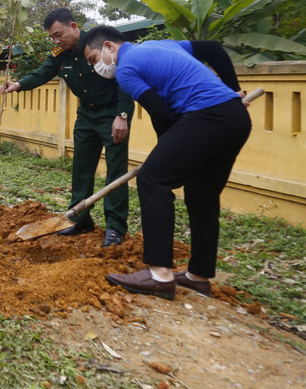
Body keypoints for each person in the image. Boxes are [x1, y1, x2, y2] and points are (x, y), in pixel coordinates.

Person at [80, 26, 251, 300]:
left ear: (109, 47)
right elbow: (213, 49)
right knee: (201, 194)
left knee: (152, 179)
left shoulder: (125, 70)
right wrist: (235, 91)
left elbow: (161, 113)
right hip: (235, 117)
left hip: (205, 116)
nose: (95, 67)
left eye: (93, 59)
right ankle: (198, 276)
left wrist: (165, 155)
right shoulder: (163, 45)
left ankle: (160, 275)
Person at [0, 8, 134, 247]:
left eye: (59, 34)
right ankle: (79, 219)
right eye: (52, 37)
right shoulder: (59, 53)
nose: (56, 40)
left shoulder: (97, 44)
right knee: (81, 167)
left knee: (116, 171)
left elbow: (124, 76)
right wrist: (18, 84)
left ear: (74, 26)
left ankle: (115, 228)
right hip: (86, 116)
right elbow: (43, 73)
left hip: (112, 115)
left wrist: (122, 115)